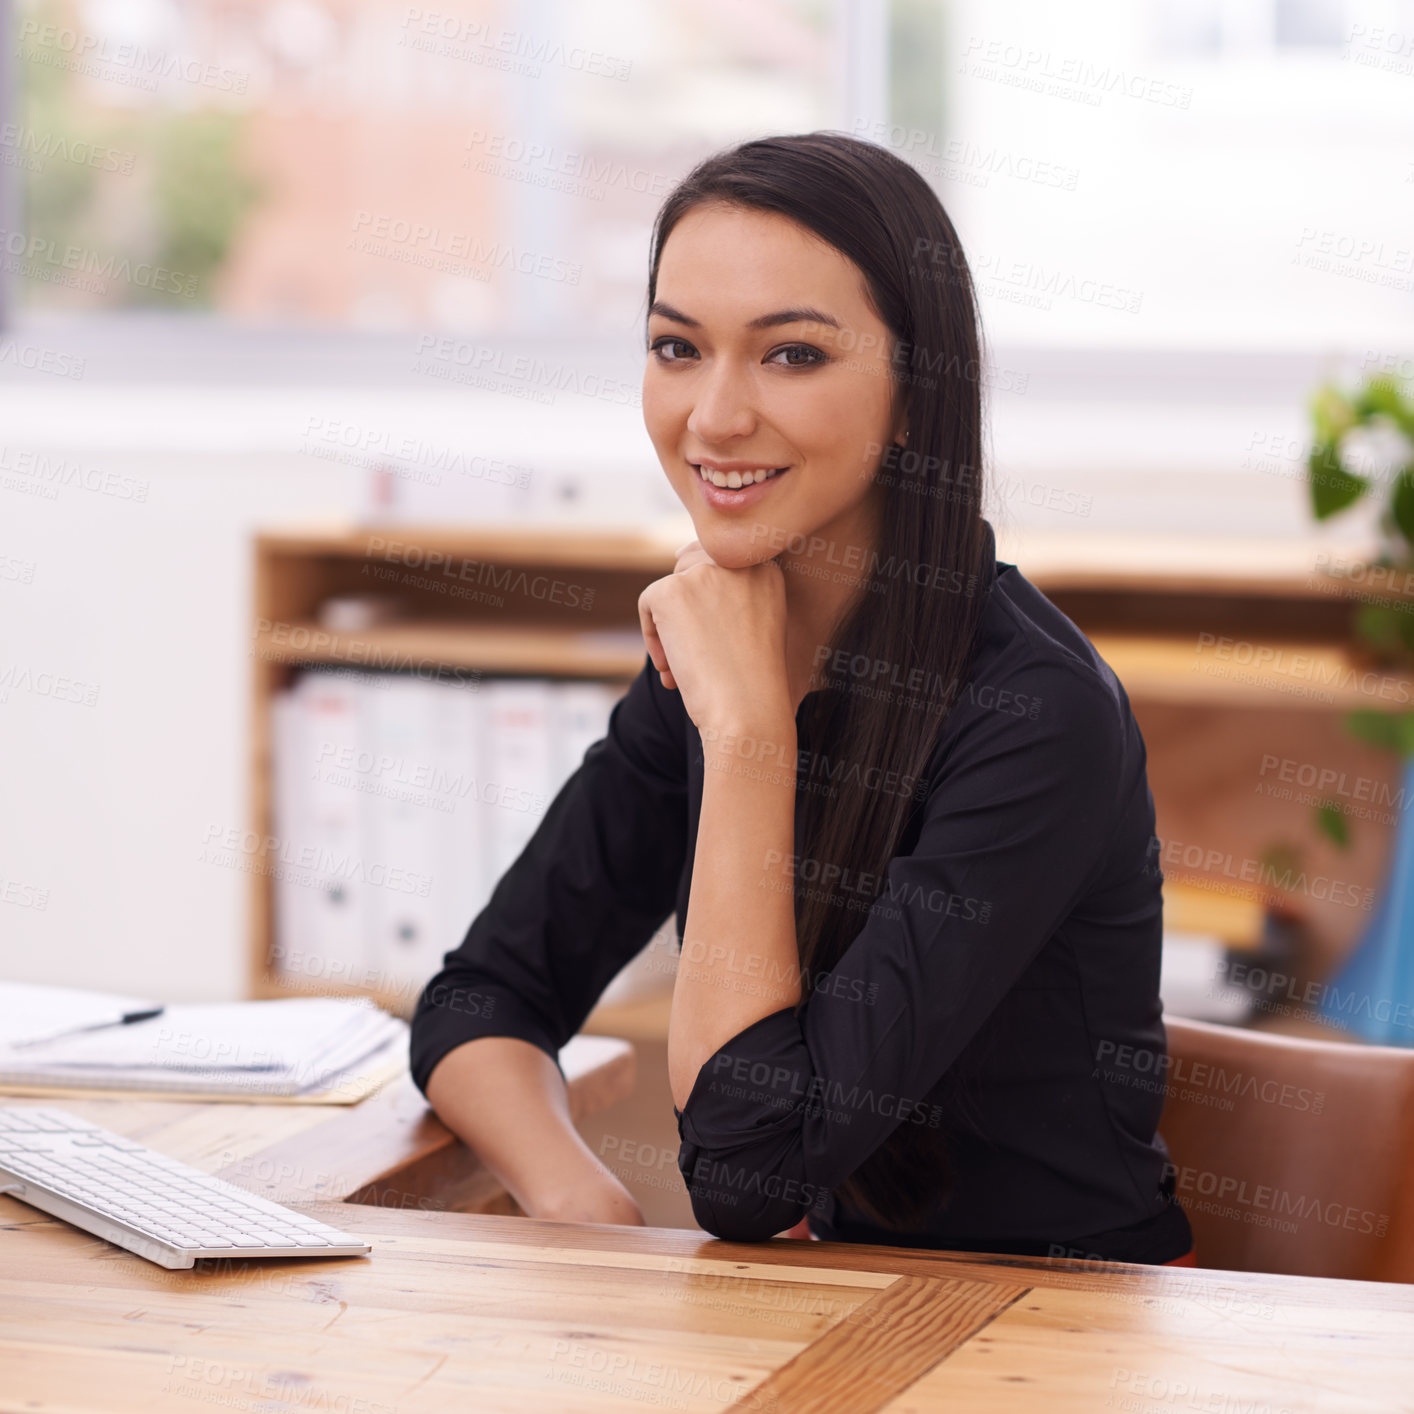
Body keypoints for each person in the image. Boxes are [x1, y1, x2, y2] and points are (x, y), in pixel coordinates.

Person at [409, 131, 1196, 1265]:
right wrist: (578, 1200)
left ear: (919, 393)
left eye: (790, 357)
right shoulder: (720, 646)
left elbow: (746, 1172)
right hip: (820, 1303)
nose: (714, 416)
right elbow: (482, 997)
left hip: (1053, 1326)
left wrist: (746, 737)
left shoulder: (1036, 714)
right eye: (676, 347)